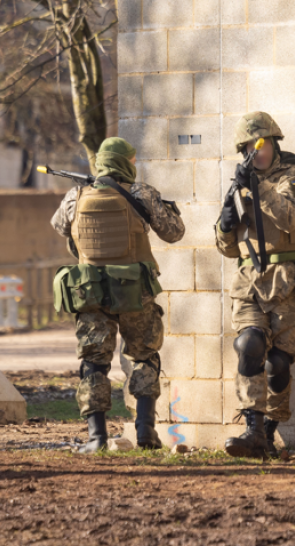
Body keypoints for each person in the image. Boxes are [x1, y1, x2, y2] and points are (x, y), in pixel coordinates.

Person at [51, 137, 185, 452]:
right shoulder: (142, 194)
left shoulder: (76, 195)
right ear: (127, 162)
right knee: (144, 357)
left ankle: (96, 438)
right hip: (134, 291)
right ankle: (145, 434)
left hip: (92, 293)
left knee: (94, 363)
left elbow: (61, 227)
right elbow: (174, 232)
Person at [215, 112, 295, 458]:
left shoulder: (294, 177)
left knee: (278, 364)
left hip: (289, 283)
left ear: (274, 143)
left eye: (261, 145)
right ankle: (253, 429)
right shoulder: (241, 182)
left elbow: (290, 216)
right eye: (248, 147)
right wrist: (225, 227)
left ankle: (270, 429)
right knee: (249, 343)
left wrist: (258, 188)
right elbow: (227, 248)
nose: (255, 153)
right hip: (249, 282)